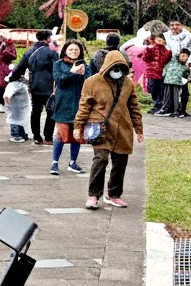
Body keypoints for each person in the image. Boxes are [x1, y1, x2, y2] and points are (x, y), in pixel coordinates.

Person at [74, 50, 144, 209]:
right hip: (101, 128)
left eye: (121, 67)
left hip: (122, 128)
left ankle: (114, 194)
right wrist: (78, 126)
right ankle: (93, 195)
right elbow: (84, 106)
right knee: (101, 159)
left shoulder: (127, 83)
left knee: (120, 162)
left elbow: (134, 107)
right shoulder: (92, 82)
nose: (117, 70)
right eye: (115, 66)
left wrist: (138, 129)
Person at [10, 31, 58, 145]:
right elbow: (56, 69)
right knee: (51, 111)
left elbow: (19, 68)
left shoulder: (29, 51)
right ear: (47, 39)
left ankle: (37, 137)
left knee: (36, 111)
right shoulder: (52, 51)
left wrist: (11, 79)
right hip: (49, 85)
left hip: (34, 85)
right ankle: (48, 137)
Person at [50, 41, 87, 175]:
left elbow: (89, 82)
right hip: (63, 105)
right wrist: (73, 72)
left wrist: (83, 73)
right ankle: (55, 163)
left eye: (76, 50)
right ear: (65, 50)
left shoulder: (84, 65)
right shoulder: (58, 65)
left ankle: (73, 162)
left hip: (79, 105)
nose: (73, 52)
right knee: (60, 135)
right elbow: (59, 80)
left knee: (77, 135)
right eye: (70, 49)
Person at [142, 34, 172, 115]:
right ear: (155, 40)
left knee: (160, 90)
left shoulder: (166, 50)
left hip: (161, 72)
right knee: (152, 88)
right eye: (158, 40)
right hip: (152, 72)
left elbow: (166, 60)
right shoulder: (151, 48)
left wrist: (168, 52)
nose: (160, 42)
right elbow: (145, 58)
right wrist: (148, 50)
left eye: (161, 41)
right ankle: (156, 104)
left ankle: (158, 105)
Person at [0, 32, 18, 114]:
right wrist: (2, 51)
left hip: (6, 68)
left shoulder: (9, 44)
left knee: (6, 87)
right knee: (1, 87)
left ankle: (2, 105)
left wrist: (5, 52)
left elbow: (14, 56)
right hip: (1, 68)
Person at [161, 48, 191, 118]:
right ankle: (176, 110)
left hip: (183, 81)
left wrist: (188, 68)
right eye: (182, 56)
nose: (185, 58)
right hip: (174, 81)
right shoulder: (174, 61)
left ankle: (182, 110)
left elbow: (189, 75)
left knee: (184, 95)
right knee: (176, 96)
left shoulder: (188, 64)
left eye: (186, 56)